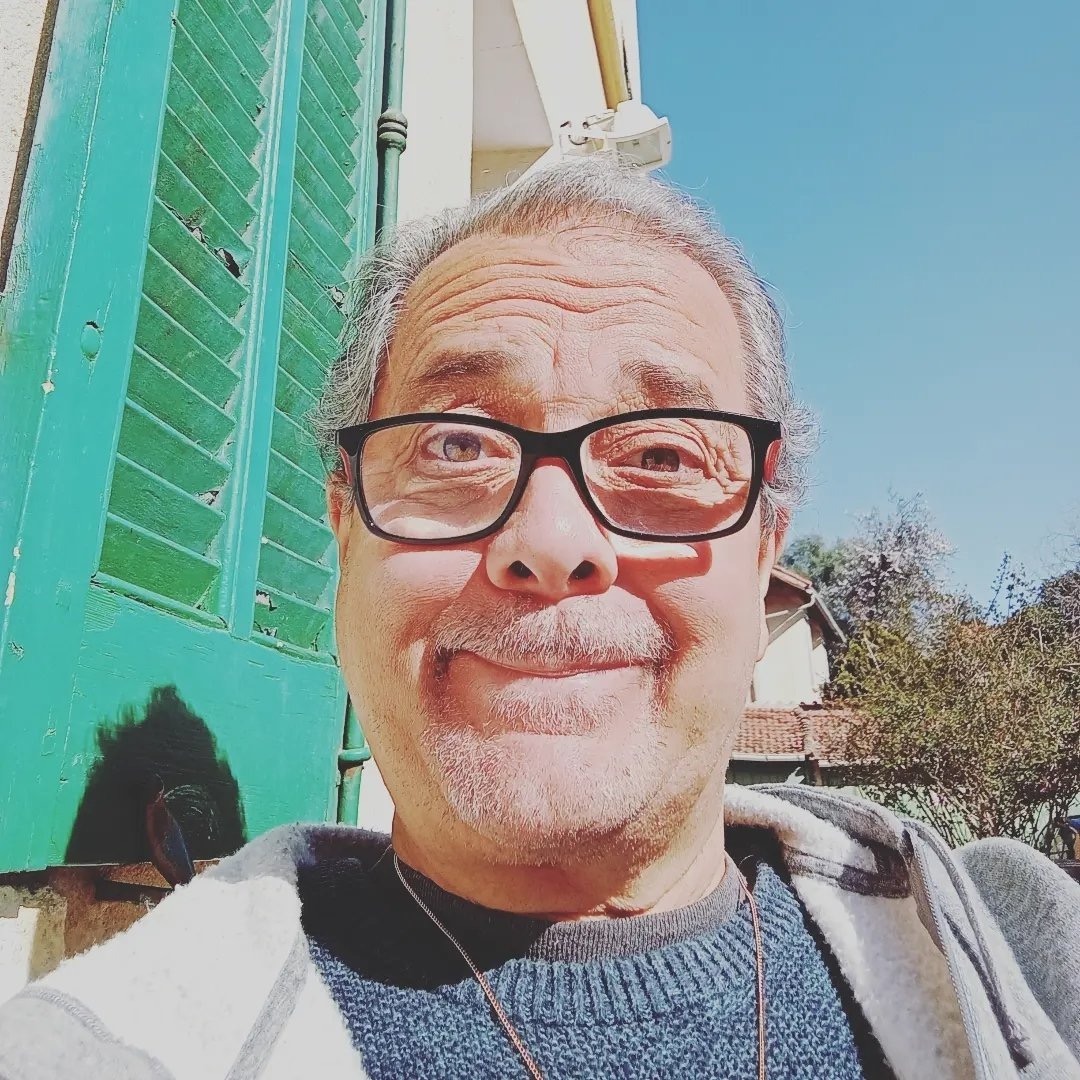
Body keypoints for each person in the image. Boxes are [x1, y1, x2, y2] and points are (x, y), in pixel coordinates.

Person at [2, 157, 1078, 1080]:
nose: (555, 541)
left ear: (762, 561)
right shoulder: (92, 1047)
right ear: (343, 533)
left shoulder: (1026, 963)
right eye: (458, 443)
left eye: (663, 454)